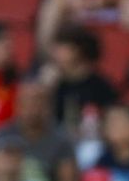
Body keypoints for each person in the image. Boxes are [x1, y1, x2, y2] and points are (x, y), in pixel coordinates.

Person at [0, 79, 76, 181]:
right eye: (26, 102)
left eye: (38, 101)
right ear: (17, 104)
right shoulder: (2, 137)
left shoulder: (61, 141)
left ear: (48, 106)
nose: (32, 108)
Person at [47, 25, 122, 156]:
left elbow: (112, 123)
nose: (55, 54)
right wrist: (45, 89)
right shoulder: (54, 84)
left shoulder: (101, 87)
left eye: (60, 48)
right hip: (57, 143)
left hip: (90, 144)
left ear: (77, 51)